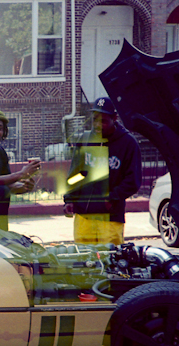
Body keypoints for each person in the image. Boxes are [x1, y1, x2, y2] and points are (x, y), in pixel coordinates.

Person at [63, 97, 141, 245]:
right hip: (84, 216)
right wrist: (69, 199)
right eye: (95, 120)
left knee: (110, 257)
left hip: (110, 218)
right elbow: (75, 174)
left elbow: (133, 181)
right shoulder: (85, 140)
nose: (98, 125)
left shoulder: (128, 143)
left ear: (114, 118)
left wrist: (112, 198)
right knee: (84, 257)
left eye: (103, 121)